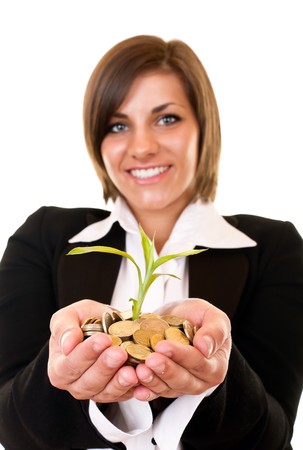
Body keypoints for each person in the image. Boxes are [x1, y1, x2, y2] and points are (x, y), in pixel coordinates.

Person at [0, 34, 302, 450]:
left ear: (203, 126)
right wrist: (64, 370)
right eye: (118, 125)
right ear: (97, 140)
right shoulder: (46, 237)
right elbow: (10, 428)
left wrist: (216, 372)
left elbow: (274, 435)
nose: (142, 147)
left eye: (167, 119)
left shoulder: (275, 247)